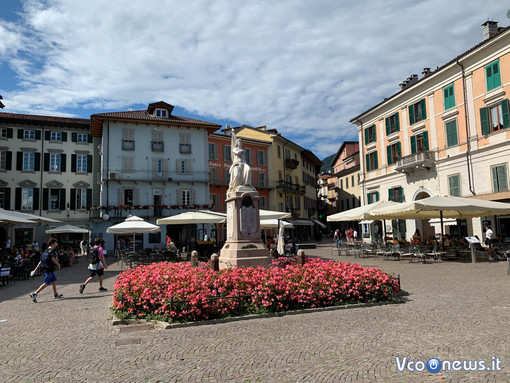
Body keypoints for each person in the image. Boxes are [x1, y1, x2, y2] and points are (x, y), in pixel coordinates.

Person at [29, 238, 63, 302]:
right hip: (49, 269)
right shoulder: (53, 250)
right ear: (52, 243)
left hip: (46, 268)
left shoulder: (46, 250)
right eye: (55, 243)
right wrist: (58, 264)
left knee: (53, 281)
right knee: (46, 283)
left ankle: (55, 294)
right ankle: (35, 293)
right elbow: (53, 259)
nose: (56, 244)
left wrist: (35, 269)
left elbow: (40, 261)